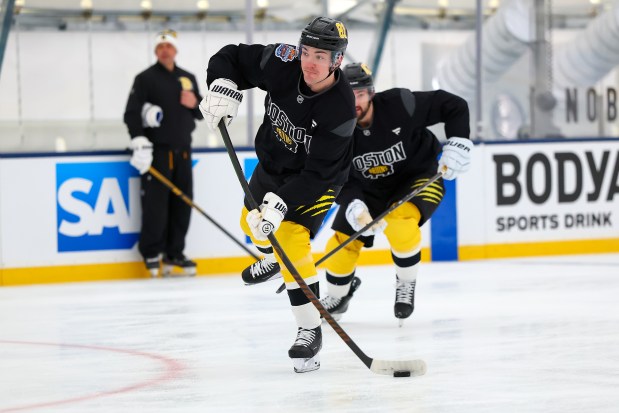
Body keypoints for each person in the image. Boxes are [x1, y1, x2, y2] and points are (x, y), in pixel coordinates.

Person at [199, 17, 356, 373]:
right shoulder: (283, 62)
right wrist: (221, 85)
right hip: (272, 165)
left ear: (337, 61)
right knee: (251, 221)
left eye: (321, 55)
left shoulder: (340, 108)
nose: (310, 62)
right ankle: (274, 259)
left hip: (317, 180)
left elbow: (318, 174)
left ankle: (309, 330)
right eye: (306, 52)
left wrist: (280, 204)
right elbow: (231, 58)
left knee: (288, 235)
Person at [319, 62, 472, 326]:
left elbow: (454, 105)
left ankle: (406, 282)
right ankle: (337, 297)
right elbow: (334, 175)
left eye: (360, 94)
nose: (353, 102)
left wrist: (459, 140)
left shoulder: (400, 104)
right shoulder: (333, 129)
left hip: (417, 178)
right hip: (366, 191)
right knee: (342, 243)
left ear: (372, 93)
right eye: (346, 95)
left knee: (401, 226)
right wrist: (354, 205)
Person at [123, 29, 203, 278]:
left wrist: (196, 103)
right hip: (158, 152)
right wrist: (138, 139)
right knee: (155, 205)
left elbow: (202, 113)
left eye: (168, 46)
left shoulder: (187, 78)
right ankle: (150, 251)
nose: (165, 50)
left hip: (183, 152)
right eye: (160, 47)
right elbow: (132, 113)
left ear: (175, 50)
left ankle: (174, 252)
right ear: (156, 51)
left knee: (183, 203)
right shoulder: (145, 79)